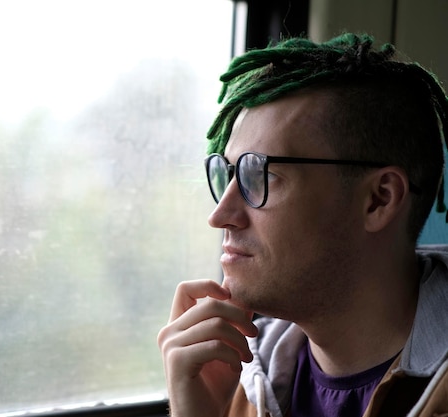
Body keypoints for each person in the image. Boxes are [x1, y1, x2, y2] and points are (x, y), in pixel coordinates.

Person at [157, 33, 448, 417]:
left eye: (260, 175)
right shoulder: (240, 378)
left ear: (379, 199)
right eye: (227, 173)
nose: (220, 215)